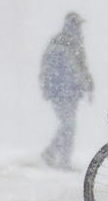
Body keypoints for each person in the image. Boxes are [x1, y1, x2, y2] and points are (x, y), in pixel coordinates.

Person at [39, 12, 94, 170]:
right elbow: (78, 67)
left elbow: (79, 66)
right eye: (79, 24)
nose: (81, 28)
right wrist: (86, 84)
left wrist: (88, 85)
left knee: (68, 125)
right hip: (64, 90)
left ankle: (54, 155)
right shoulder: (69, 42)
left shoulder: (66, 41)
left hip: (64, 91)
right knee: (68, 125)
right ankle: (58, 158)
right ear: (73, 24)